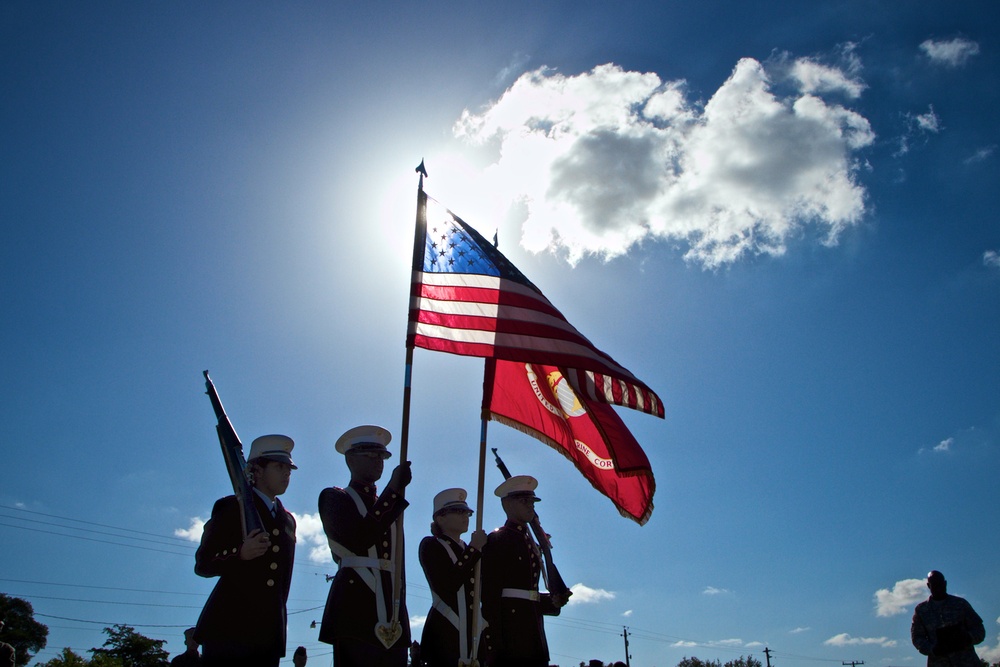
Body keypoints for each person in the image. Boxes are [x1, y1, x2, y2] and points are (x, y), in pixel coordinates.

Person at [193, 435, 297, 667]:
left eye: (289, 468)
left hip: (268, 634)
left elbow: (283, 581)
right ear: (256, 471)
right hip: (228, 629)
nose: (287, 474)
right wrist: (239, 554)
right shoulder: (231, 507)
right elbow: (203, 563)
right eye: (279, 467)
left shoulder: (287, 520)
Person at [318, 425, 412, 666]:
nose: (378, 461)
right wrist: (392, 492)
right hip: (354, 615)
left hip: (392, 617)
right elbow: (359, 539)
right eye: (370, 455)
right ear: (350, 459)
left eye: (382, 456)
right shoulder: (334, 497)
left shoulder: (391, 507)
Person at [480, 475, 568, 667]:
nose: (531, 506)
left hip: (534, 637)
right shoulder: (498, 540)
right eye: (524, 501)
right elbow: (489, 597)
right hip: (510, 640)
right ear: (507, 504)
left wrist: (553, 601)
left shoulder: (530, 542)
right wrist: (493, 645)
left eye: (532, 502)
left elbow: (529, 594)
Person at [418, 488, 488, 667]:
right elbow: (448, 583)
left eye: (467, 512)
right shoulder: (431, 545)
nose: (465, 516)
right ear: (440, 518)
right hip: (445, 632)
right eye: (458, 511)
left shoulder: (471, 550)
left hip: (473, 636)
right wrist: (474, 550)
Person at [911, 570, 985, 667]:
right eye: (935, 585)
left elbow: (979, 629)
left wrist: (966, 638)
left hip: (967, 661)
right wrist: (932, 649)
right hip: (938, 663)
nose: (938, 588)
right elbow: (917, 637)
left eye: (940, 584)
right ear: (929, 586)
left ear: (945, 583)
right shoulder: (921, 610)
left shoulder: (960, 604)